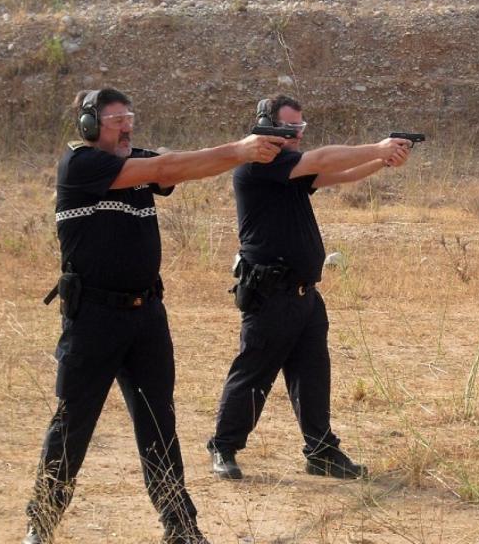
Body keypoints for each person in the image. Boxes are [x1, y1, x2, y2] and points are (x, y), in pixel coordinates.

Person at [22, 88, 286, 544]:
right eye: (115, 119)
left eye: (129, 116)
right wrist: (240, 150)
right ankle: (41, 524)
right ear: (88, 126)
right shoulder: (80, 165)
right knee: (73, 423)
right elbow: (164, 168)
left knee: (159, 425)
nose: (126, 125)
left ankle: (181, 528)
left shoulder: (137, 162)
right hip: (94, 320)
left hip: (146, 317)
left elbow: (181, 165)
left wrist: (248, 152)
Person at [206, 95, 411, 480]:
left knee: (313, 375)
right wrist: (378, 148)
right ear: (266, 126)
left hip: (304, 295)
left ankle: (321, 452)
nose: (296, 136)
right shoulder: (258, 163)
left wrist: (381, 160)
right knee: (254, 374)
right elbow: (321, 160)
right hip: (270, 293)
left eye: (299, 129)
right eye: (289, 129)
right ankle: (224, 445)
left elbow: (340, 173)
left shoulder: (288, 168)